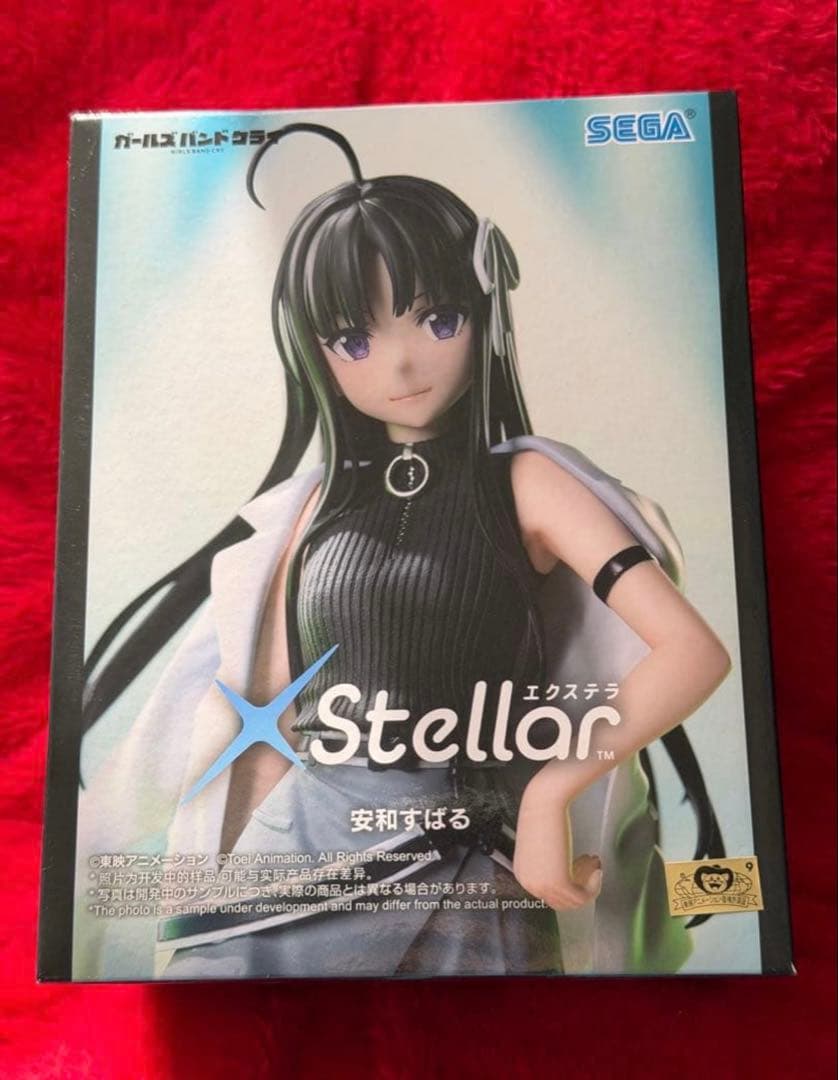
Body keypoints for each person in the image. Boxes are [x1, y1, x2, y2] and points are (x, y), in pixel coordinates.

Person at [77, 124, 730, 980]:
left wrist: (553, 788)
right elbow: (262, 710)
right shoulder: (311, 507)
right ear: (315, 352)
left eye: (439, 319)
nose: (404, 364)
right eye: (355, 340)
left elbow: (693, 652)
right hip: (298, 849)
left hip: (465, 860)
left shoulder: (524, 483)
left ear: (484, 312)